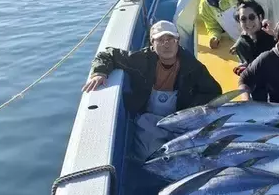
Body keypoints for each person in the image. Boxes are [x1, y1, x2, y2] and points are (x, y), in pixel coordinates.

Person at [82, 20, 221, 159]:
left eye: (171, 39)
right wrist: (99, 72)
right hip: (147, 120)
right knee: (151, 156)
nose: (166, 44)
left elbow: (213, 91)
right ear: (152, 43)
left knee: (194, 154)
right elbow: (107, 54)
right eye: (160, 39)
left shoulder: (192, 66)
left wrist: (190, 111)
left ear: (177, 41)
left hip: (180, 119)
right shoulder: (141, 60)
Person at [232, 0, 275, 76]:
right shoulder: (241, 44)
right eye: (243, 19)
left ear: (260, 18)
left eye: (252, 17)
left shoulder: (271, 36)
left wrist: (276, 36)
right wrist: (246, 69)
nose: (248, 22)